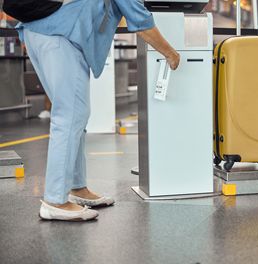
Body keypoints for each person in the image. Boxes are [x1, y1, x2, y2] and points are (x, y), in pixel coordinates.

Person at [17, 0, 180, 221]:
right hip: (60, 36)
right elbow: (140, 20)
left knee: (74, 116)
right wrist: (170, 52)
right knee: (70, 115)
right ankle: (55, 200)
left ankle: (77, 187)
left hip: (42, 33)